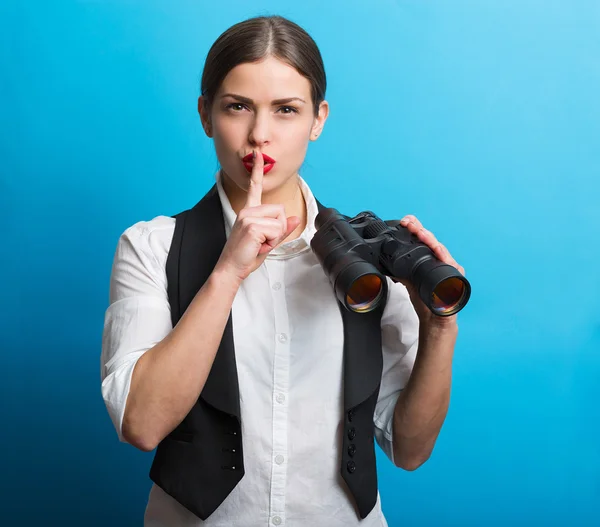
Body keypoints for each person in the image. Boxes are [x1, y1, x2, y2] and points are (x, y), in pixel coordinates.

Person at [101, 14, 465, 527]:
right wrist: (227, 272)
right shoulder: (152, 246)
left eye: (287, 110)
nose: (259, 136)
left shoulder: (370, 257)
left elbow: (408, 450)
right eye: (237, 107)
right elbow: (142, 424)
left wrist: (440, 327)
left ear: (318, 119)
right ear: (206, 115)